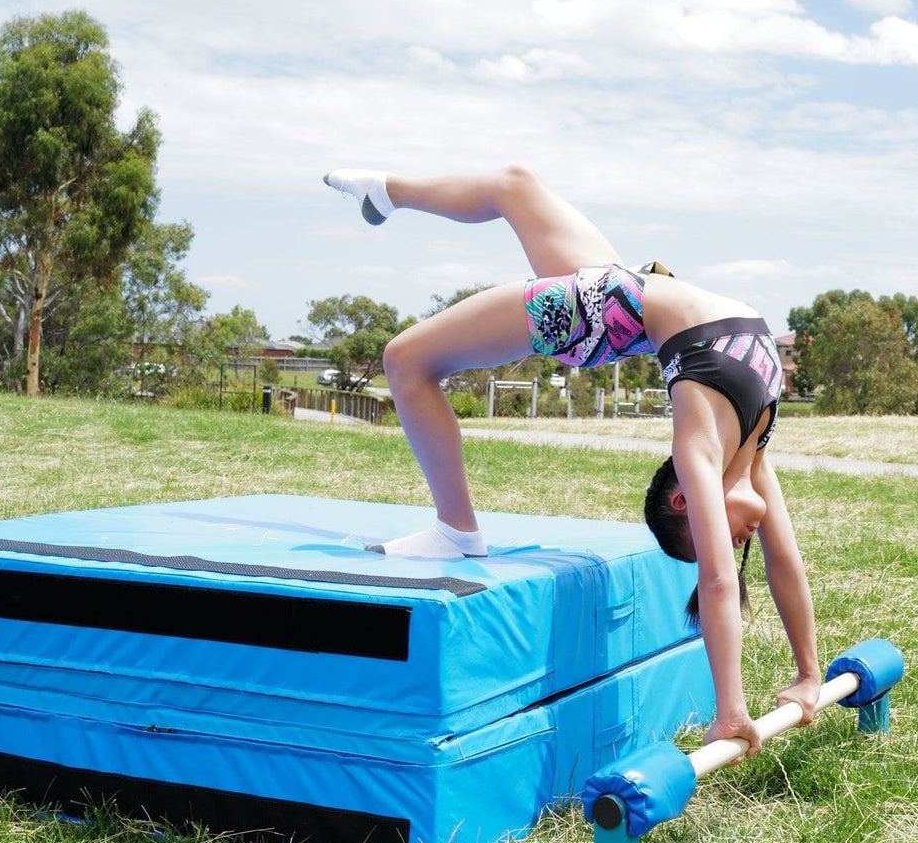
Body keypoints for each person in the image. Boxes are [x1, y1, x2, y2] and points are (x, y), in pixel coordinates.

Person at [323, 165, 821, 757]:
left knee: (404, 359)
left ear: (685, 498)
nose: (743, 539)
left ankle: (456, 528)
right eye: (738, 538)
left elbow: (722, 578)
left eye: (726, 535)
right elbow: (779, 561)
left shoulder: (702, 451)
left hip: (593, 312)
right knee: (514, 183)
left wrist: (734, 709)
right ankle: (386, 192)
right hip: (628, 298)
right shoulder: (753, 444)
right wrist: (807, 672)